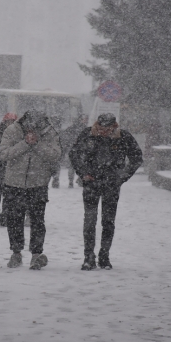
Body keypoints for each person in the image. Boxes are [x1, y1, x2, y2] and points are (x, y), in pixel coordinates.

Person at [69, 113, 143, 270]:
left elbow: (137, 157)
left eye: (107, 129)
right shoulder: (87, 134)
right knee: (90, 220)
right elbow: (73, 154)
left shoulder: (123, 137)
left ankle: (104, 255)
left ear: (114, 127)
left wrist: (121, 177)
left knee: (108, 221)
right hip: (91, 183)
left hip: (112, 184)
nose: (103, 132)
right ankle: (88, 256)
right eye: (101, 128)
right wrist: (83, 173)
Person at [0, 110, 61, 270]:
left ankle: (36, 254)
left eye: (37, 128)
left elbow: (55, 155)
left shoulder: (49, 132)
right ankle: (16, 253)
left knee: (37, 221)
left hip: (38, 183)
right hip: (14, 183)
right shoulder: (12, 130)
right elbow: (4, 154)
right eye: (30, 128)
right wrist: (25, 143)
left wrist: (37, 144)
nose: (33, 131)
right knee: (14, 220)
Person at [60, 114, 88, 188]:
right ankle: (78, 180)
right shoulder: (85, 129)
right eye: (84, 119)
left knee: (72, 166)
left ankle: (71, 181)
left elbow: (65, 139)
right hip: (79, 150)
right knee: (80, 166)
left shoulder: (71, 128)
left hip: (73, 149)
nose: (85, 121)